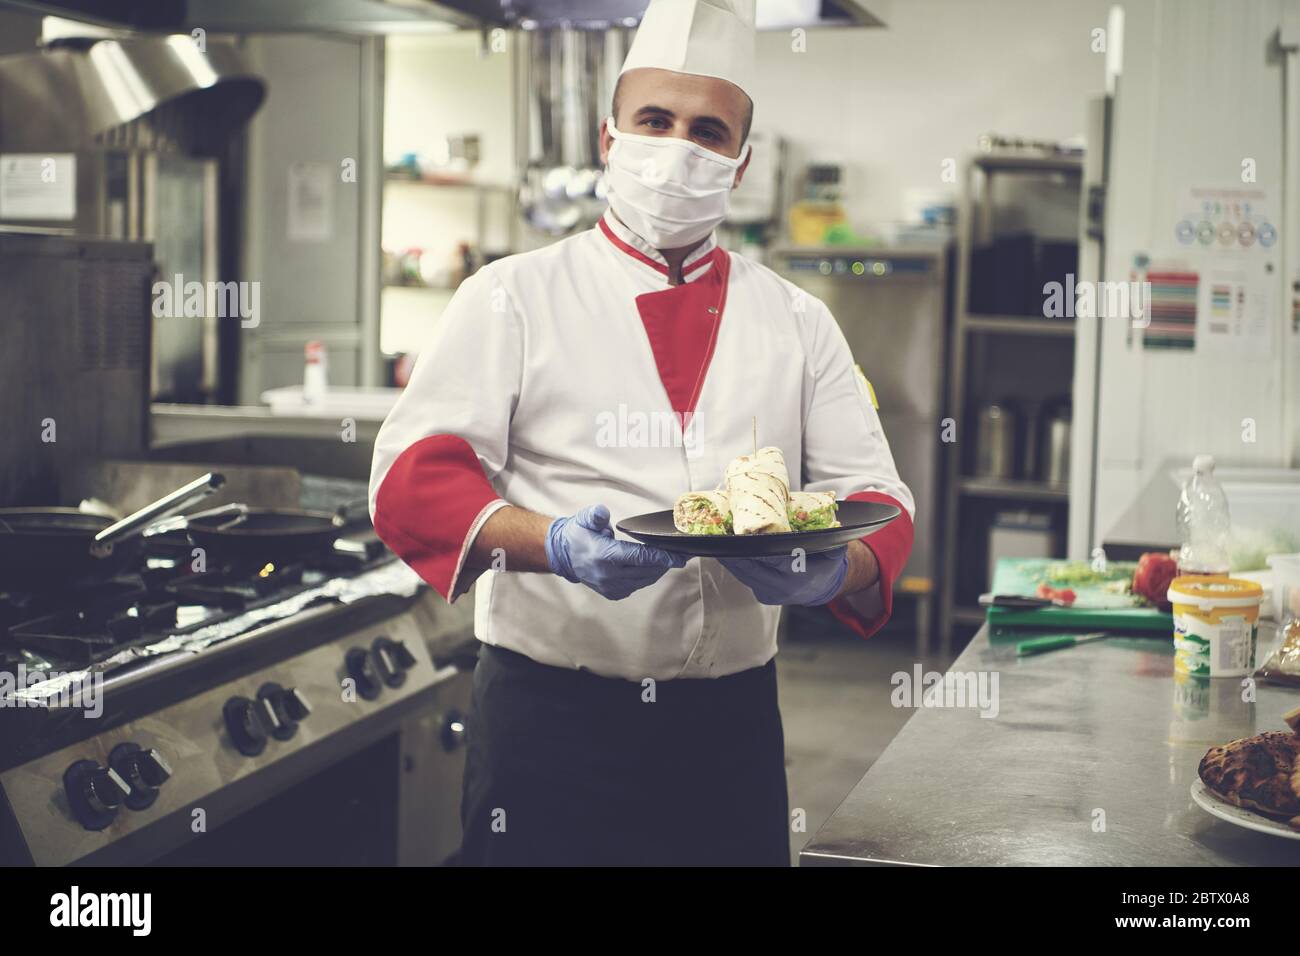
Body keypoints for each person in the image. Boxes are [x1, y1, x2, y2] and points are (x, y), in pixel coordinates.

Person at [369, 0, 914, 866]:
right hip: (550, 721)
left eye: (708, 131)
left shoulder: (798, 321)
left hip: (728, 724)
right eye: (655, 120)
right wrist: (551, 543)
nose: (678, 149)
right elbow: (411, 480)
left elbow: (880, 501)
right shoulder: (511, 295)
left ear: (738, 164)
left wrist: (826, 567)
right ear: (608, 137)